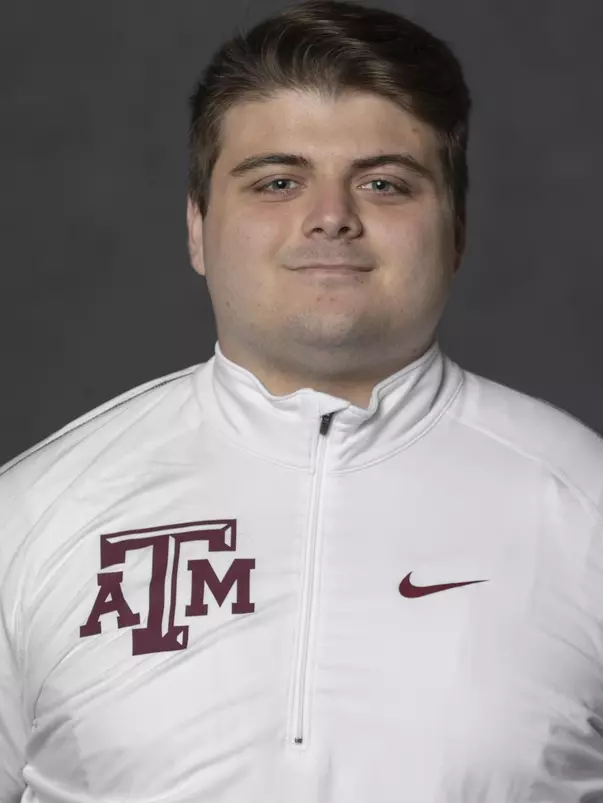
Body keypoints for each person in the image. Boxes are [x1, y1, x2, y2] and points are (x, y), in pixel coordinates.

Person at [1, 0, 603, 800]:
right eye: (277, 181)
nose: (329, 219)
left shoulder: (585, 503)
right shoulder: (32, 513)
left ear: (455, 229)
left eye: (384, 184)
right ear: (196, 226)